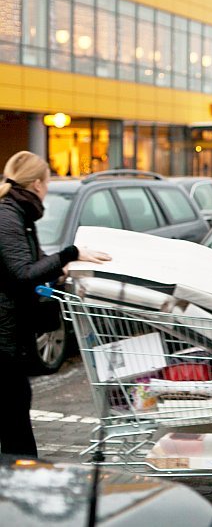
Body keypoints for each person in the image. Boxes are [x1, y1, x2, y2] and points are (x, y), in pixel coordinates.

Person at [0, 151, 111, 457]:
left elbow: (26, 266)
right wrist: (70, 254)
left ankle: (20, 477)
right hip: (3, 340)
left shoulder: (18, 214)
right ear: (37, 184)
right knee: (15, 414)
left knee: (15, 412)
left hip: (11, 335)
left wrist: (60, 269)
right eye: (47, 182)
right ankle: (22, 480)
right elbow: (22, 273)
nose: (47, 188)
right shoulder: (8, 217)